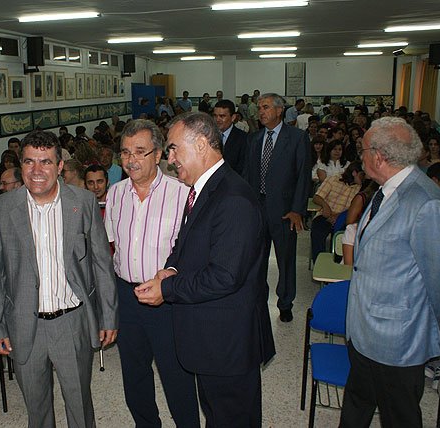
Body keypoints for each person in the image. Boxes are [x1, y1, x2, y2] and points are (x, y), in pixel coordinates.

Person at [135, 112, 275, 428]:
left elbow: (224, 276)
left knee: (232, 419)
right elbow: (189, 246)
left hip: (228, 344)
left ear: (200, 145)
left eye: (173, 149)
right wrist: (169, 269)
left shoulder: (233, 198)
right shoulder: (207, 190)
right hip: (211, 341)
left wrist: (166, 290)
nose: (169, 160)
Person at [0, 130, 118, 428]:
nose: (37, 171)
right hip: (23, 326)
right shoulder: (2, 209)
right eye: (29, 162)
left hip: (72, 323)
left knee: (80, 405)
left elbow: (101, 265)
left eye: (46, 162)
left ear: (60, 167)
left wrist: (108, 317)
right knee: (37, 410)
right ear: (21, 166)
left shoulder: (82, 202)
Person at [339, 117, 440, 428]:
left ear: (377, 155)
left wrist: (432, 328)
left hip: (398, 341)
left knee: (399, 417)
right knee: (356, 407)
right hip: (363, 331)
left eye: (362, 150)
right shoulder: (382, 190)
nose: (359, 156)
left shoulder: (426, 202)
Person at [104, 119, 199, 428]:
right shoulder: (115, 194)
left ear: (158, 154)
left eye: (140, 152)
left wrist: (168, 278)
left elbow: (191, 253)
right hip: (127, 296)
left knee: (176, 373)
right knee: (134, 373)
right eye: (126, 152)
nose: (131, 160)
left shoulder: (181, 194)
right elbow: (111, 247)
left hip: (166, 299)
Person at [243, 93, 310, 322]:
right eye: (259, 107)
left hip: (285, 211)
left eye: (266, 107)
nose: (261, 112)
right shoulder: (254, 139)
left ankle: (285, 302)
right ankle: (258, 300)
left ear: (279, 110)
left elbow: (303, 176)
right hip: (257, 209)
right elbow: (247, 175)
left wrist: (297, 209)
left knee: (286, 259)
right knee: (256, 260)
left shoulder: (297, 138)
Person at [310, 161, 363, 262]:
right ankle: (318, 262)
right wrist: (325, 206)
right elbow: (317, 197)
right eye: (362, 174)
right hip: (326, 214)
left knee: (345, 235)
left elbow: (354, 209)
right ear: (354, 173)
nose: (364, 177)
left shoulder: (360, 188)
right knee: (317, 232)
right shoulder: (333, 179)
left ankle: (339, 263)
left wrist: (338, 216)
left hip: (344, 218)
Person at [214, 99, 247, 175]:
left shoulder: (243, 139)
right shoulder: (208, 137)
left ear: (233, 117)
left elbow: (243, 168)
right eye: (215, 116)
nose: (217, 119)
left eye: (222, 116)